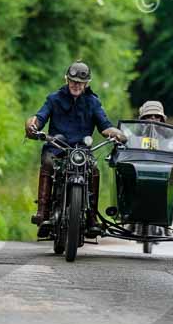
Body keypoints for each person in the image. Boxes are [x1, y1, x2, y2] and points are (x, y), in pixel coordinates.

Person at [25, 61, 126, 237]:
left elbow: (104, 126)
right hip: (56, 147)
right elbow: (40, 117)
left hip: (81, 151)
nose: (76, 85)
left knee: (93, 170)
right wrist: (32, 125)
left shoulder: (93, 102)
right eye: (73, 81)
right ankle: (43, 212)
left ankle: (92, 218)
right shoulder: (53, 99)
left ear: (86, 83)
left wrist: (118, 134)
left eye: (80, 82)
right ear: (67, 80)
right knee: (48, 163)